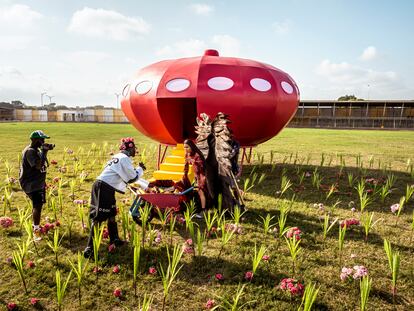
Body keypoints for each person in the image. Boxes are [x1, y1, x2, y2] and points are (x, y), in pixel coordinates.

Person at [83, 137, 145, 258]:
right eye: (134, 148)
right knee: (98, 218)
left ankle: (114, 239)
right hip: (104, 188)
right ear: (129, 148)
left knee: (111, 214)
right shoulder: (125, 159)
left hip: (106, 187)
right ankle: (89, 248)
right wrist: (140, 169)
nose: (135, 151)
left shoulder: (118, 156)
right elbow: (132, 178)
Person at [19, 130, 53, 241]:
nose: (43, 141)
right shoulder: (30, 151)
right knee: (37, 206)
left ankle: (36, 225)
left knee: (38, 205)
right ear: (34, 140)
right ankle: (36, 231)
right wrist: (44, 151)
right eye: (41, 139)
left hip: (38, 183)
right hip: (31, 184)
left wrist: (44, 151)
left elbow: (42, 165)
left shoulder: (37, 150)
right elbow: (38, 166)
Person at [183, 139, 210, 218]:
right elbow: (186, 165)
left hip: (202, 176)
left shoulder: (197, 155)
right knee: (199, 192)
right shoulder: (188, 154)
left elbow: (201, 165)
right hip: (196, 176)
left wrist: (193, 161)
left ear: (191, 146)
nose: (186, 149)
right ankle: (201, 208)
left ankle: (204, 210)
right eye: (184, 147)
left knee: (201, 192)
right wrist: (185, 174)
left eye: (187, 147)